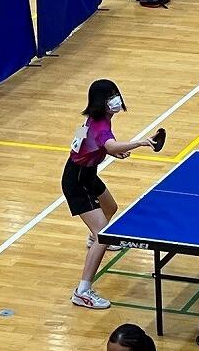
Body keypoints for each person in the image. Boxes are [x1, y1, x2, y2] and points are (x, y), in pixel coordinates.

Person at [62, 79, 158, 309]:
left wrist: (108, 153)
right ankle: (82, 292)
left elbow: (83, 144)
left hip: (87, 174)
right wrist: (140, 143)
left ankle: (93, 237)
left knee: (110, 208)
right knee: (104, 234)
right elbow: (110, 144)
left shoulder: (96, 119)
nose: (115, 99)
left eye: (115, 93)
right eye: (110, 96)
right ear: (100, 101)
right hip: (76, 181)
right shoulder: (100, 125)